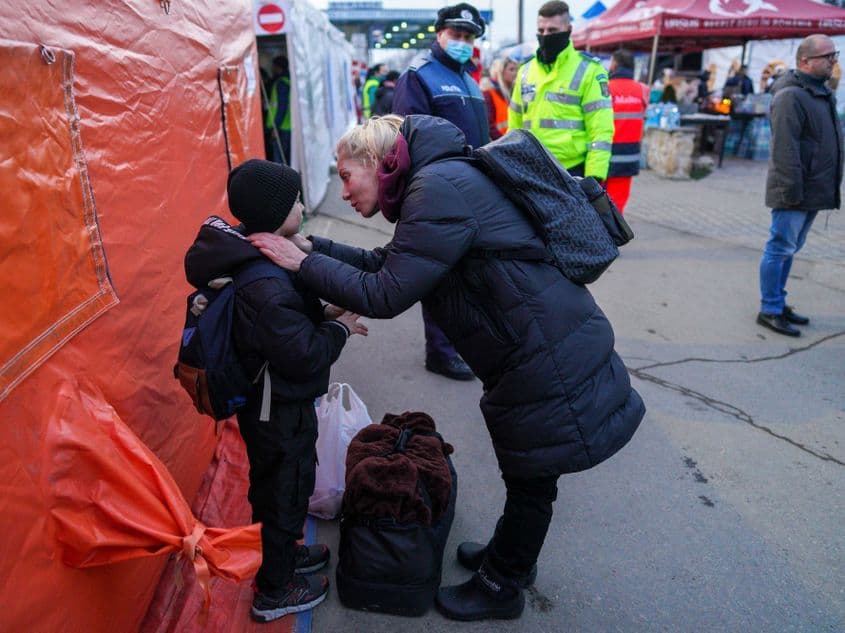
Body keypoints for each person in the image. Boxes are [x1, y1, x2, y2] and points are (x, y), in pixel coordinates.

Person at [247, 114, 646, 622]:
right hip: (537, 339)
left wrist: (299, 264)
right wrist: (316, 248)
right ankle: (510, 558)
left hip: (543, 347)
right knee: (529, 470)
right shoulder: (436, 181)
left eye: (347, 176)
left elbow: (385, 293)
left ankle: (502, 583)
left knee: (531, 471)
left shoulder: (435, 188)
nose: (343, 191)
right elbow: (384, 263)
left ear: (376, 161)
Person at [184, 159, 368, 622]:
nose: (304, 207)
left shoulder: (267, 257)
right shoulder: (265, 282)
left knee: (288, 483)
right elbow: (302, 352)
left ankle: (284, 552)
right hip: (276, 407)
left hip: (278, 400)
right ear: (274, 213)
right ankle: (275, 589)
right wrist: (339, 331)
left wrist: (324, 315)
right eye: (296, 202)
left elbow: (286, 328)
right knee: (284, 490)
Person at [391, 2, 489, 380]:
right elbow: (405, 138)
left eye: (468, 37)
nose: (462, 42)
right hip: (439, 193)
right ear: (439, 34)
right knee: (440, 273)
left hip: (474, 189)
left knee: (467, 274)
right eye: (456, 35)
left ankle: (462, 344)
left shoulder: (470, 79)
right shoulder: (420, 76)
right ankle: (441, 352)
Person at [757, 34, 843, 337]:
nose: (834, 60)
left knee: (789, 249)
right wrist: (791, 194)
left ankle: (778, 302)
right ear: (805, 61)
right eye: (828, 56)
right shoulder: (791, 96)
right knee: (779, 248)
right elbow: (785, 150)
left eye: (834, 54)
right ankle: (769, 308)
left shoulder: (820, 92)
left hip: (813, 190)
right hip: (794, 192)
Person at [508, 0, 614, 181]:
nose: (545, 35)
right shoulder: (525, 71)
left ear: (568, 30)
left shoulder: (590, 70)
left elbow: (600, 128)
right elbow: (514, 125)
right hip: (532, 168)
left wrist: (594, 176)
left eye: (552, 30)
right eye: (541, 31)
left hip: (572, 170)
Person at [606, 48, 648, 213]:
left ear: (614, 65)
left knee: (601, 201)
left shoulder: (606, 89)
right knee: (619, 202)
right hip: (630, 154)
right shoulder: (643, 90)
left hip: (608, 154)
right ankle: (617, 234)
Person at [481, 55, 519, 140]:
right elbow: (489, 125)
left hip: (513, 142)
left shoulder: (514, 91)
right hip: (500, 144)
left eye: (517, 69)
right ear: (501, 71)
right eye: (511, 69)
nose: (515, 73)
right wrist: (503, 142)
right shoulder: (489, 93)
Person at [266, 56, 292, 164]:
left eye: (273, 66)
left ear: (278, 67)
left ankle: (281, 180)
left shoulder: (281, 83)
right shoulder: (288, 80)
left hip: (281, 127)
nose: (272, 69)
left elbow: (281, 107)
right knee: (285, 158)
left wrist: (275, 127)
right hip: (287, 125)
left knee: (279, 160)